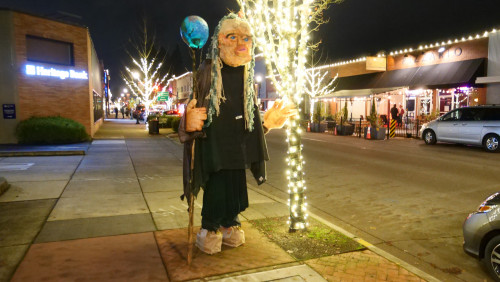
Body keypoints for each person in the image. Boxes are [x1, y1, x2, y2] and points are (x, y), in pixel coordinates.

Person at [179, 13, 296, 255]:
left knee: (235, 190)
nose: (240, 44)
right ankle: (210, 228)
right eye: (232, 36)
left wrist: (267, 124)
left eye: (246, 38)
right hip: (213, 147)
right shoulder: (207, 71)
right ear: (219, 41)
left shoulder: (246, 77)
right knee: (217, 189)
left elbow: (249, 122)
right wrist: (187, 123)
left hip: (236, 150)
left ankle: (230, 224)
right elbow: (191, 111)